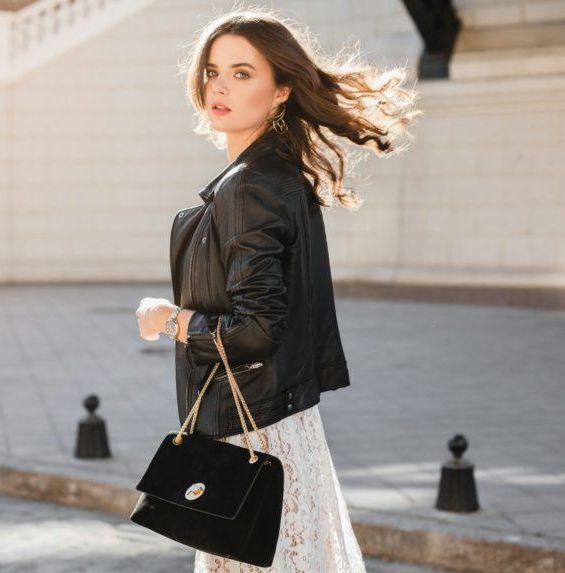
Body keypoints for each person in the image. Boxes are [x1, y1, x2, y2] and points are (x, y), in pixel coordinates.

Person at [134, 7, 421, 572]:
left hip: (252, 433)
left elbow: (257, 329)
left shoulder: (249, 186)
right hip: (280, 426)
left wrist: (169, 319)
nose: (220, 86)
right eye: (214, 71)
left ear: (282, 89)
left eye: (243, 73)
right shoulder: (275, 173)